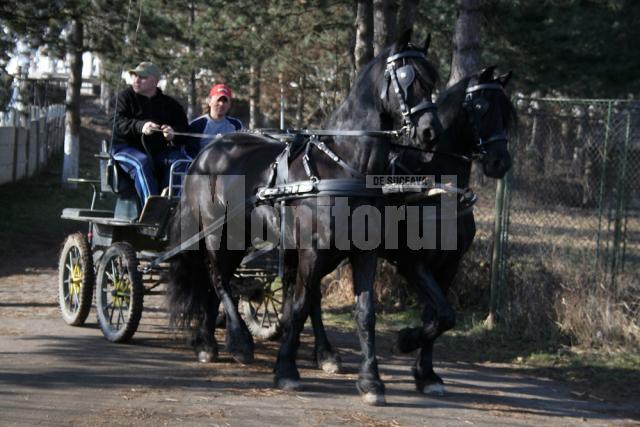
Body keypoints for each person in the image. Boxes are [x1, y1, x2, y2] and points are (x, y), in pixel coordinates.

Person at [111, 61, 190, 206]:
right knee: (141, 163)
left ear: (155, 81)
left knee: (181, 162)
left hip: (159, 151)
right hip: (125, 148)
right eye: (134, 75)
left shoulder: (171, 105)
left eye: (142, 77)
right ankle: (153, 211)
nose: (136, 79)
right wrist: (140, 126)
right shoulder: (124, 98)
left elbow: (185, 131)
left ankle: (171, 208)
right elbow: (116, 123)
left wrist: (174, 133)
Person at [185, 83, 243, 157]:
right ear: (209, 101)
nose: (221, 104)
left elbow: (241, 149)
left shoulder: (236, 125)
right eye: (218, 100)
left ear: (229, 104)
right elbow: (190, 153)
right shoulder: (198, 125)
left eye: (225, 101)